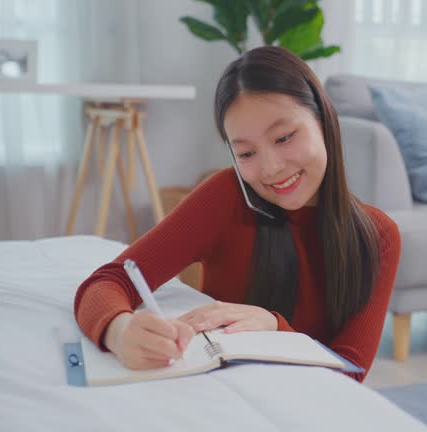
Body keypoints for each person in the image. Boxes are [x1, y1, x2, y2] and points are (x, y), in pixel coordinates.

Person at [73, 46, 401, 382]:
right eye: (246, 153)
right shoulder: (225, 198)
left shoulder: (377, 236)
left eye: (284, 137)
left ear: (323, 118)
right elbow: (107, 283)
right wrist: (120, 330)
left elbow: (349, 375)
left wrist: (274, 327)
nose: (271, 168)